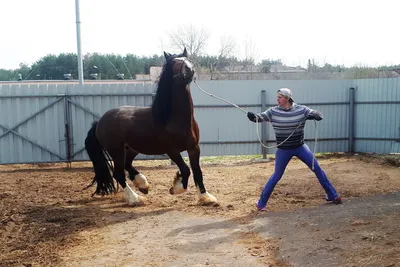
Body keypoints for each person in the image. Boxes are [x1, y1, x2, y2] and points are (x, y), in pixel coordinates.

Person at [247, 88, 342, 211]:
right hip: (283, 150)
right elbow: (259, 118)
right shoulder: (273, 112)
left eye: (280, 97)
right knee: (276, 176)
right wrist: (253, 117)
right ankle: (261, 204)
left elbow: (316, 113)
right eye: (277, 97)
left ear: (287, 98)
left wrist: (317, 115)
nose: (277, 99)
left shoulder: (301, 110)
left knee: (317, 168)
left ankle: (332, 196)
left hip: (300, 147)